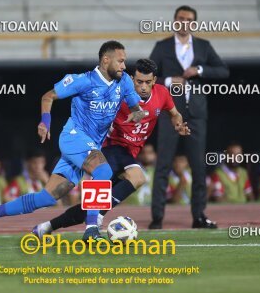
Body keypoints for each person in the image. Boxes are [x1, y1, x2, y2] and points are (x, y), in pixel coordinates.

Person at [0, 41, 147, 241]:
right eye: (121, 61)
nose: (124, 66)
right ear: (106, 60)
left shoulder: (123, 80)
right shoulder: (83, 80)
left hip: (90, 146)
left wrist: (137, 114)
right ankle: (91, 229)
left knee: (46, 197)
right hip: (74, 138)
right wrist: (44, 122)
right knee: (103, 171)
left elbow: (136, 107)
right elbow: (48, 97)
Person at [31, 58, 189, 238]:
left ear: (154, 81)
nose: (143, 87)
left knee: (89, 207)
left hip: (129, 153)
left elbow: (175, 114)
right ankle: (98, 216)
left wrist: (179, 125)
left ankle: (46, 227)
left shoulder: (162, 94)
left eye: (147, 82)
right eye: (138, 82)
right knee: (137, 177)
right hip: (109, 148)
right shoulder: (118, 93)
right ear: (131, 78)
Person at [149, 5, 229, 229]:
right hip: (170, 113)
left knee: (198, 165)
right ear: (174, 21)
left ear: (194, 23)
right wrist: (167, 81)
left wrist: (200, 71)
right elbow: (145, 75)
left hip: (196, 114)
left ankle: (199, 216)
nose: (184, 22)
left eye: (189, 19)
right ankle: (157, 217)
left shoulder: (203, 46)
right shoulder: (162, 46)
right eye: (181, 18)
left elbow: (223, 71)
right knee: (163, 164)